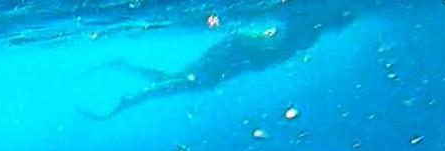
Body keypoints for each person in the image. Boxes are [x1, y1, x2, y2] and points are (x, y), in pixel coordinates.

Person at [82, 12, 352, 120]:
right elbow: (265, 45)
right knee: (190, 82)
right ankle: (125, 101)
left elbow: (267, 44)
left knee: (180, 79)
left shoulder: (306, 33)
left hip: (233, 56)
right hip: (233, 57)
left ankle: (124, 70)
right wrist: (244, 52)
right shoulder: (305, 32)